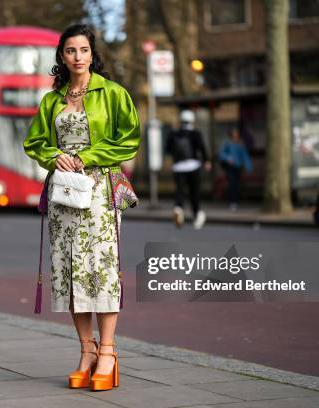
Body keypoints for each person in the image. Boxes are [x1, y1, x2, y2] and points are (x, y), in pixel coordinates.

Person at [23, 24, 140, 391]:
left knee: (101, 271)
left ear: (93, 54)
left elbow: (129, 141)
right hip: (63, 197)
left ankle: (108, 352)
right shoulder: (51, 100)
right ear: (62, 55)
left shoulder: (114, 94)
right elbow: (34, 142)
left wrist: (86, 156)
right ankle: (86, 351)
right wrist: (54, 155)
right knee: (71, 271)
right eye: (71, 50)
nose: (77, 57)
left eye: (84, 50)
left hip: (101, 193)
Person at [165, 109, 211, 229]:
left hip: (178, 167)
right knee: (194, 192)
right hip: (193, 166)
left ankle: (178, 209)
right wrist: (206, 161)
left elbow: (167, 150)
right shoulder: (195, 133)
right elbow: (202, 148)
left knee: (180, 191)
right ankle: (197, 215)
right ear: (192, 120)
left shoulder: (174, 134)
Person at [218, 128, 252, 210]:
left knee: (236, 184)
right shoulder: (227, 143)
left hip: (238, 167)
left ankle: (235, 200)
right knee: (232, 184)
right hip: (230, 167)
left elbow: (245, 156)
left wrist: (249, 167)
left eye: (236, 135)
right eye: (233, 135)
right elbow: (221, 154)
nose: (235, 137)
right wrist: (227, 158)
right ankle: (232, 202)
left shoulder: (240, 144)